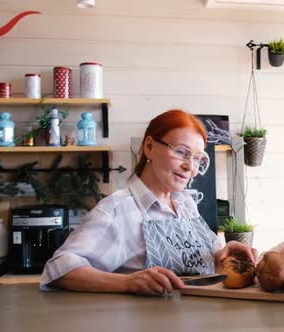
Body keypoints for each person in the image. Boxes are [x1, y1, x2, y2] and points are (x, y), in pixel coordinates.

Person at [40, 110, 257, 294]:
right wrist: (126, 282)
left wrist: (225, 252)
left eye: (198, 158)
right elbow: (60, 268)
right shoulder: (118, 210)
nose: (190, 167)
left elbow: (205, 260)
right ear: (149, 147)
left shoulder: (185, 204)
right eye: (182, 152)